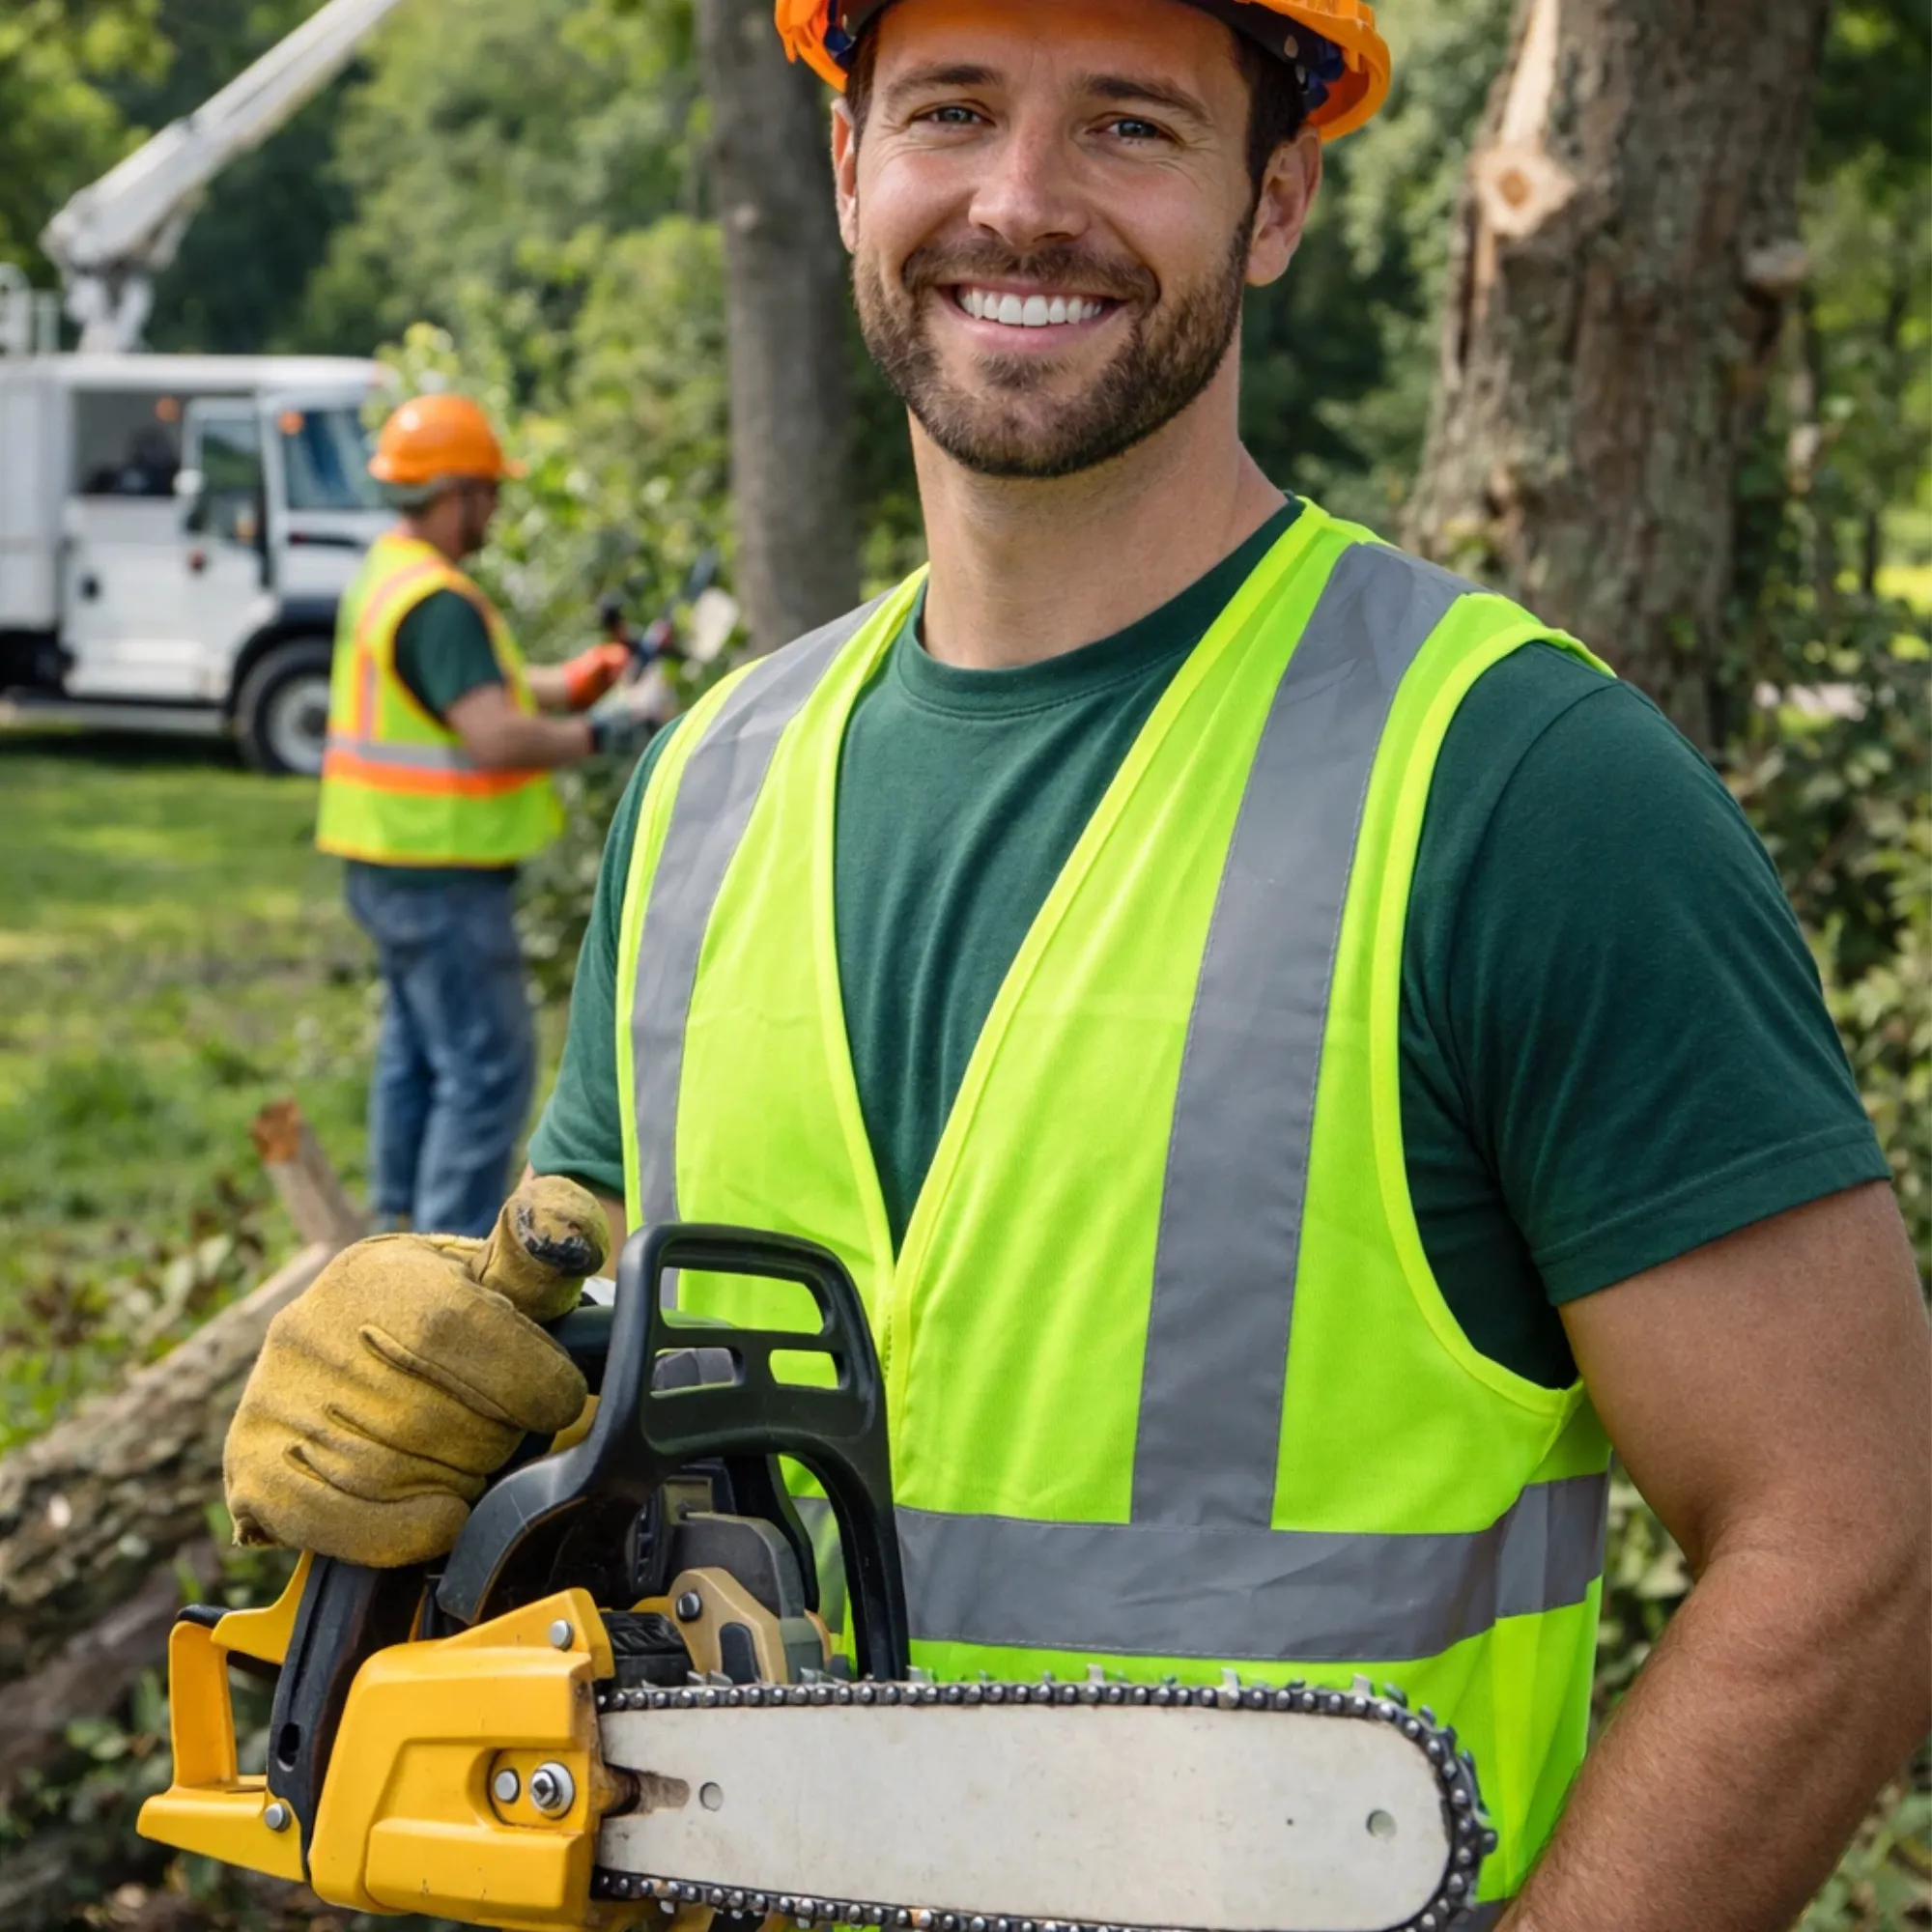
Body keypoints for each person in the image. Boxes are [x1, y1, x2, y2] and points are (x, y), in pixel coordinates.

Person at [230, 1, 1930, 1924]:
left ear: (1275, 199)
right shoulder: (705, 788)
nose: (1020, 204)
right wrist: (431, 1411)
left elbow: (1855, 1539)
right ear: (848, 165)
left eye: (1128, 126)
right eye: (952, 110)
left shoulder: (1516, 794)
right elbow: (586, 1371)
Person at [314, 392, 653, 1238]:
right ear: (453, 491)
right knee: (487, 1072)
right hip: (442, 876)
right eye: (489, 491)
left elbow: (473, 688)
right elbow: (495, 735)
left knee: (419, 1059)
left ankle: (393, 1235)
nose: (497, 507)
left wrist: (578, 682)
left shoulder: (393, 576)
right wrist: (612, 728)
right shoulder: (438, 602)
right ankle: (449, 1271)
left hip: (390, 862)